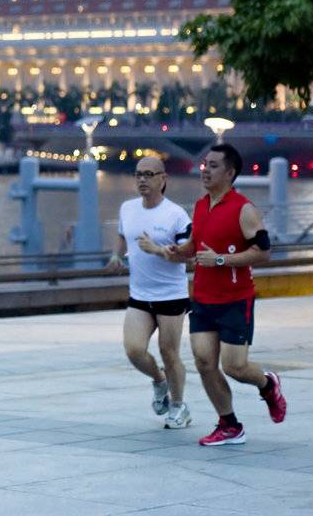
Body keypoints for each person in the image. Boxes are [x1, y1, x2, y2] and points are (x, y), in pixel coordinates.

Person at [139, 143, 287, 446]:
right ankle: (229, 424)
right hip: (204, 299)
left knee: (235, 367)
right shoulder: (200, 205)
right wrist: (172, 250)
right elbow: (194, 248)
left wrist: (221, 260)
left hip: (236, 300)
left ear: (230, 172)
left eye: (214, 165)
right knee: (204, 362)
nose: (205, 169)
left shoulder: (244, 209)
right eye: (204, 164)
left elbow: (264, 252)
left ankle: (267, 385)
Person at [108, 157, 192, 428]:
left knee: (169, 353)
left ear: (162, 178)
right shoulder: (128, 208)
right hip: (140, 295)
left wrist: (157, 250)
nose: (142, 180)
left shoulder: (176, 215)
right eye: (138, 175)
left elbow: (187, 258)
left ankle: (179, 407)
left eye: (148, 174)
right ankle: (159, 381)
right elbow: (124, 235)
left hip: (171, 295)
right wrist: (116, 257)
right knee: (133, 350)